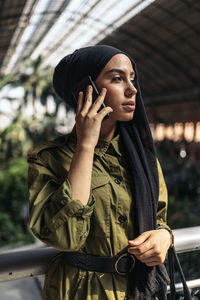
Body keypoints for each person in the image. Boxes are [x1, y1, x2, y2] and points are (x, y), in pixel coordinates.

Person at [28, 45, 173, 300]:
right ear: (84, 89)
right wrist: (85, 145)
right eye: (117, 79)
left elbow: (159, 218)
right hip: (81, 292)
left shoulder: (143, 158)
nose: (132, 90)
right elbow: (65, 237)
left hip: (142, 290)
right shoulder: (48, 159)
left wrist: (164, 236)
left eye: (132, 78)